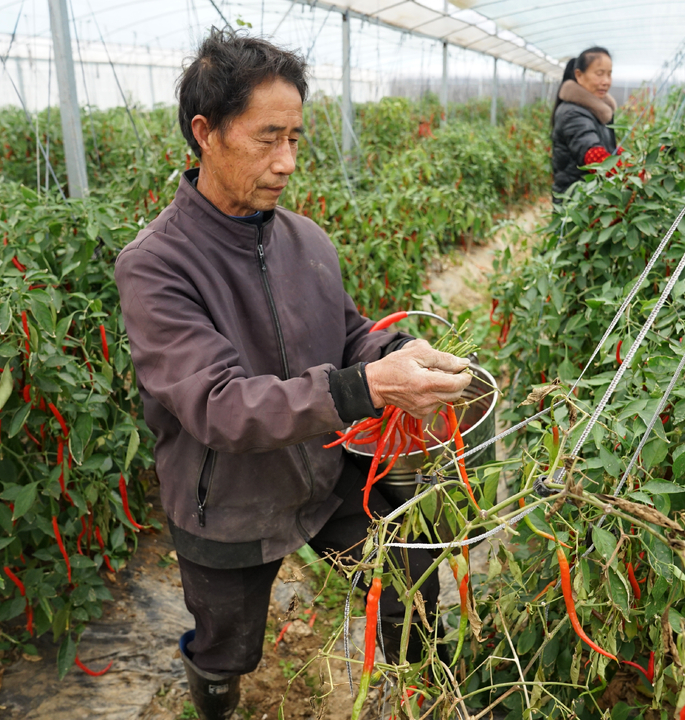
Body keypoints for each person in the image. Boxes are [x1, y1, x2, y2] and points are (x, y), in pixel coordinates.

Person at [114, 31, 472, 720]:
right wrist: (368, 388)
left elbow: (348, 334)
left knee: (407, 578)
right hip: (230, 501)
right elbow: (219, 406)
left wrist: (398, 351)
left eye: (295, 138)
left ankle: (422, 690)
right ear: (205, 133)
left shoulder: (304, 238)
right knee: (227, 645)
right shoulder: (156, 265)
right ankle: (214, 701)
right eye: (267, 138)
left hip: (324, 470)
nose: (286, 162)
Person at [551, 47, 618, 198]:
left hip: (594, 197)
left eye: (609, 74)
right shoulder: (572, 113)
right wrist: (630, 173)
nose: (606, 81)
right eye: (599, 74)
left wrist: (628, 157)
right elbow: (594, 157)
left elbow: (607, 147)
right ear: (579, 76)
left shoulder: (597, 111)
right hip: (576, 202)